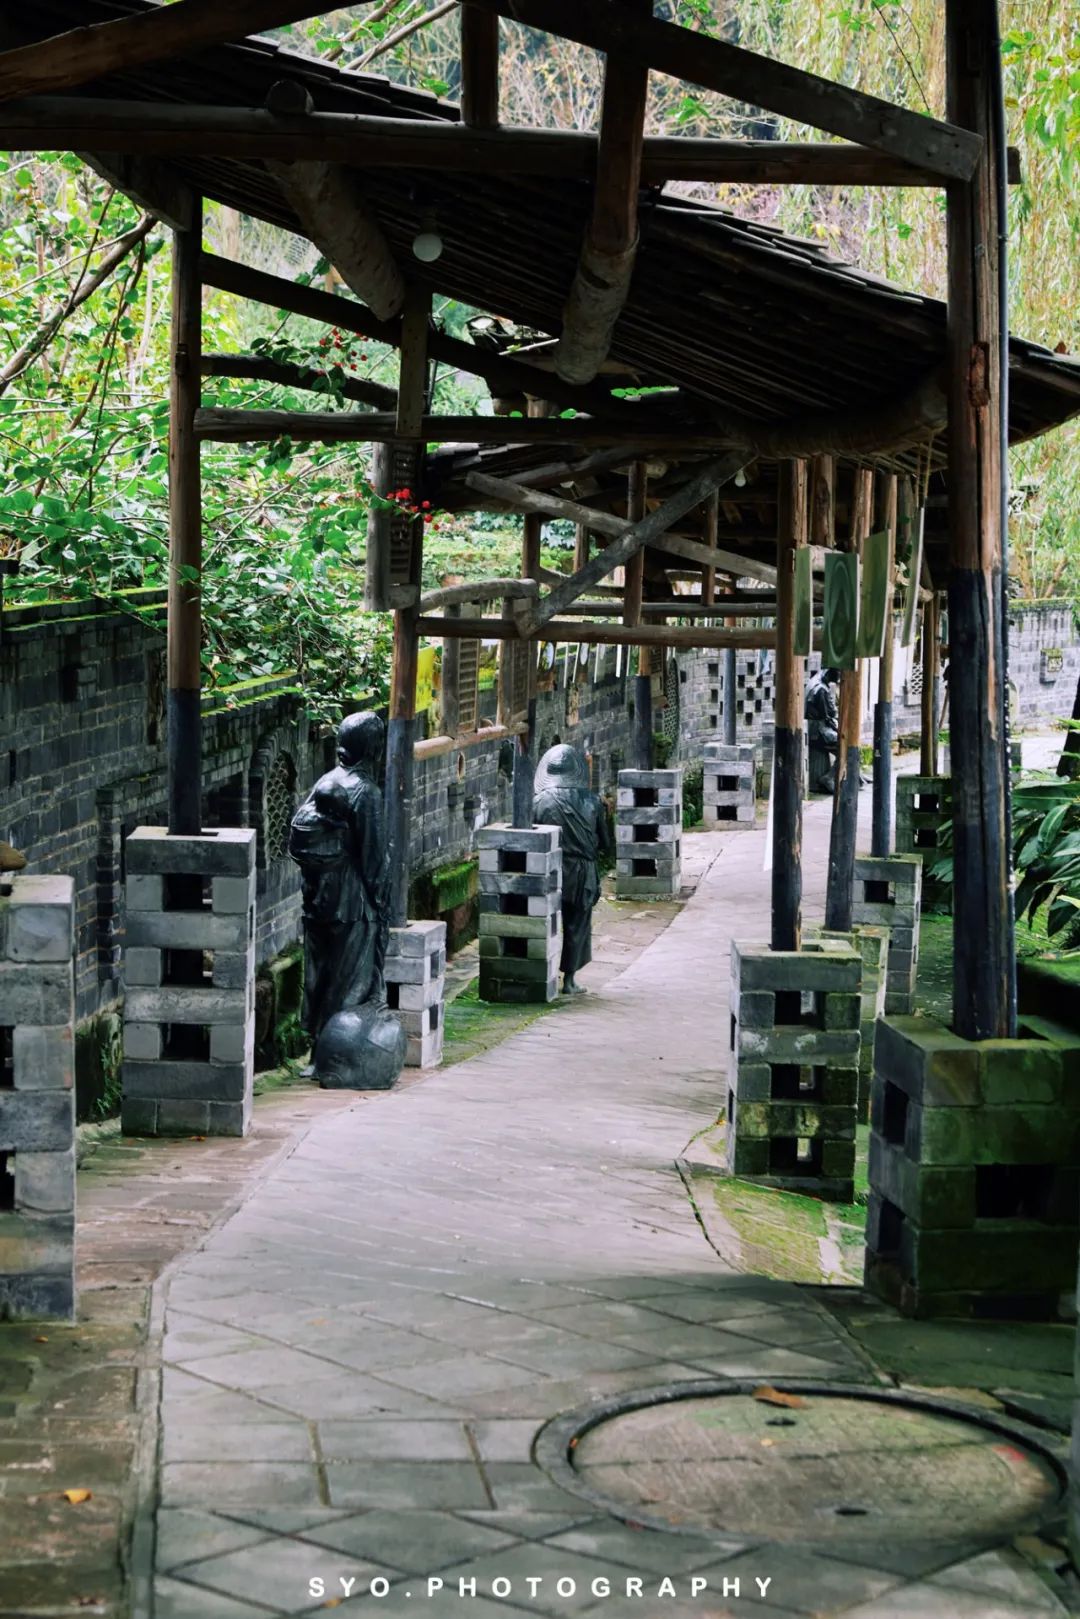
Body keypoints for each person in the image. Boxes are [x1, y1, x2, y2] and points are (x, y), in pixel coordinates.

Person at [288, 711, 390, 1044]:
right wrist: (382, 905)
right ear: (374, 748)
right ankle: (337, 1055)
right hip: (352, 905)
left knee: (321, 981)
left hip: (318, 900)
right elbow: (375, 860)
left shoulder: (327, 781)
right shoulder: (366, 792)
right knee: (349, 987)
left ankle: (318, 1051)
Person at [533, 743, 613, 995]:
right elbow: (606, 843)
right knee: (577, 925)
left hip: (548, 870)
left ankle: (539, 976)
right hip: (582, 872)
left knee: (542, 922)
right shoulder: (593, 801)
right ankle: (569, 980)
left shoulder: (539, 801)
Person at [805, 666, 841, 794]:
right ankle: (829, 777)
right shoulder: (820, 689)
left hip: (813, 728)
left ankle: (858, 777)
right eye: (838, 674)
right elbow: (827, 716)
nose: (838, 678)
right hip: (818, 731)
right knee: (847, 747)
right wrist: (838, 730)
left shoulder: (814, 681)